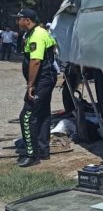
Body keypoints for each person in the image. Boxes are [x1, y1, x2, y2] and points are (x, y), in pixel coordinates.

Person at [14, 9, 58, 167]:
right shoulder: (34, 33)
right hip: (46, 79)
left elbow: (36, 61)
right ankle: (43, 150)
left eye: (19, 19)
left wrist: (31, 85)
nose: (17, 22)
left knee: (26, 116)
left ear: (27, 20)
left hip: (42, 81)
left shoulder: (37, 35)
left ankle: (32, 155)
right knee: (43, 114)